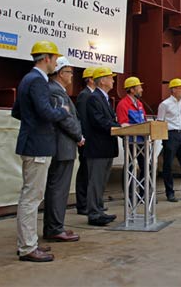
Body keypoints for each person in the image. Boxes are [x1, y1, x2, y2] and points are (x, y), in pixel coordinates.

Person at [12, 40, 69, 262]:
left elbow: (18, 111)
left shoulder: (29, 79)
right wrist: (62, 110)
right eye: (55, 59)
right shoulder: (37, 81)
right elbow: (46, 112)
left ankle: (29, 242)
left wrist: (32, 121)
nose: (56, 62)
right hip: (37, 145)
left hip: (33, 142)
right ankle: (27, 247)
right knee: (31, 197)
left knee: (31, 195)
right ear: (46, 58)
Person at [43, 57, 83, 242]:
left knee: (58, 187)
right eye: (69, 72)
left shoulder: (58, 91)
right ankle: (54, 228)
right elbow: (65, 119)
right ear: (60, 73)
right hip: (62, 146)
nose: (71, 76)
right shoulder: (55, 92)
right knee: (58, 188)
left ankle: (55, 226)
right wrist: (79, 136)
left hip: (63, 146)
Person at [84, 66, 120, 226]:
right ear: (103, 80)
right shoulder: (94, 98)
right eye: (110, 78)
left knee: (102, 181)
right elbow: (98, 120)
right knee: (96, 181)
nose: (113, 80)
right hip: (98, 147)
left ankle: (99, 209)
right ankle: (94, 213)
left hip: (105, 147)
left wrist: (119, 125)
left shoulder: (103, 98)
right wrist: (116, 127)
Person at [116, 76, 146, 199]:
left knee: (146, 167)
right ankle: (129, 195)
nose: (142, 89)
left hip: (143, 141)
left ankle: (144, 194)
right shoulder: (123, 104)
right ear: (132, 90)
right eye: (139, 87)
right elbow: (123, 124)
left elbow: (144, 120)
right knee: (130, 167)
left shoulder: (139, 104)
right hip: (131, 141)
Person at [74, 67, 95, 215]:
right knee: (85, 171)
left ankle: (89, 202)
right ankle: (82, 205)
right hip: (86, 140)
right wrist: (82, 137)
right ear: (91, 79)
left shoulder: (93, 95)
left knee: (90, 172)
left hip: (92, 140)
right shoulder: (84, 95)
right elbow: (82, 118)